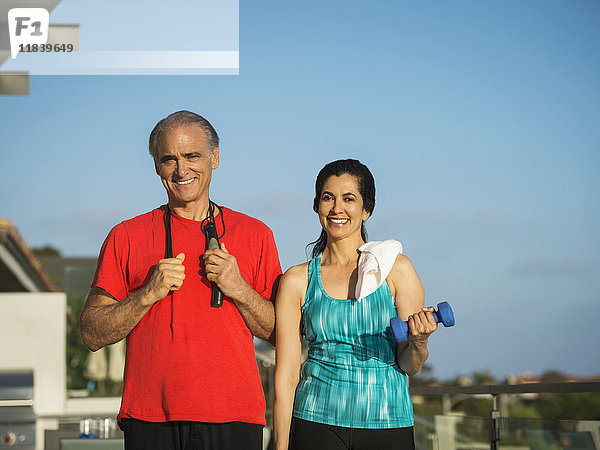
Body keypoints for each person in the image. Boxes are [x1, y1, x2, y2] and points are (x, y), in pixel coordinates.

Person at [80, 110, 282, 450]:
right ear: (157, 166)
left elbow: (280, 333)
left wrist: (240, 290)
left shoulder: (256, 234)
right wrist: (147, 294)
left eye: (192, 156)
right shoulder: (126, 236)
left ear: (215, 157)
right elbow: (91, 333)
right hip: (149, 418)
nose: (181, 170)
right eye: (169, 159)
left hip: (234, 417)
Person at [273, 159, 437, 450]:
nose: (337, 208)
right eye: (328, 198)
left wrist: (419, 341)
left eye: (349, 199)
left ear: (366, 210)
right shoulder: (297, 280)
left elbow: (410, 364)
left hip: (387, 422)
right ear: (317, 206)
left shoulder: (397, 271)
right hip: (315, 421)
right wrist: (281, 446)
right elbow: (286, 376)